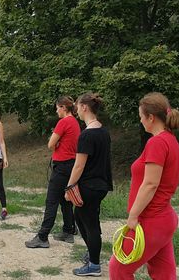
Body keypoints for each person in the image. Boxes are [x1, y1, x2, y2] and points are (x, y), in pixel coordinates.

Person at [109, 92, 179, 279]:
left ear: (150, 117)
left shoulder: (157, 142)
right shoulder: (170, 139)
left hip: (151, 220)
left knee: (118, 268)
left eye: (141, 117)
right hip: (164, 219)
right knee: (163, 273)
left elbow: (150, 183)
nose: (140, 121)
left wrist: (133, 216)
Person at [64, 93, 113, 277]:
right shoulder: (103, 131)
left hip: (88, 186)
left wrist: (69, 187)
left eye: (77, 106)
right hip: (100, 185)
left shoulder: (86, 135)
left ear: (84, 107)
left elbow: (79, 165)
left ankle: (94, 265)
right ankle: (92, 253)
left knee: (89, 224)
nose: (76, 109)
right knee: (81, 218)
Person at [25, 96, 80, 248]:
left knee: (52, 200)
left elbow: (50, 144)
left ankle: (42, 236)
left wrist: (57, 143)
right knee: (65, 199)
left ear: (63, 107)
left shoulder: (63, 122)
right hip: (71, 165)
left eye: (57, 107)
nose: (56, 110)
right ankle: (68, 230)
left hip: (61, 166)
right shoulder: (75, 123)